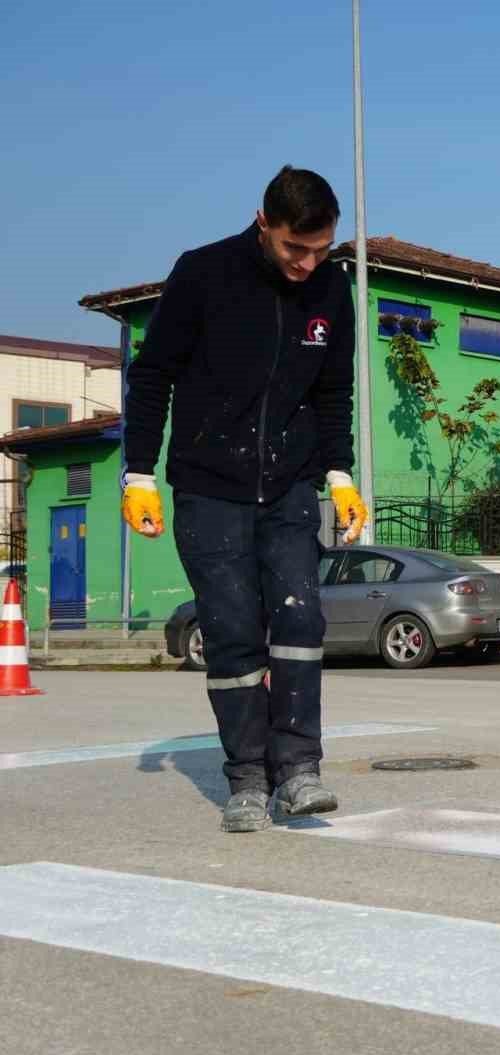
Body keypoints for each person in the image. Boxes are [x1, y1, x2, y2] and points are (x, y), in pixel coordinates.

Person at [120, 166, 371, 832]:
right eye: (296, 248)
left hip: (290, 483)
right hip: (208, 486)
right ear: (264, 225)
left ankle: (300, 772)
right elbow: (151, 379)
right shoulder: (203, 274)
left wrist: (340, 472)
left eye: (321, 249)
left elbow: (333, 391)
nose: (307, 262)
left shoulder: (330, 288)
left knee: (300, 618)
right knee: (231, 632)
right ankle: (248, 778)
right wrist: (137, 472)